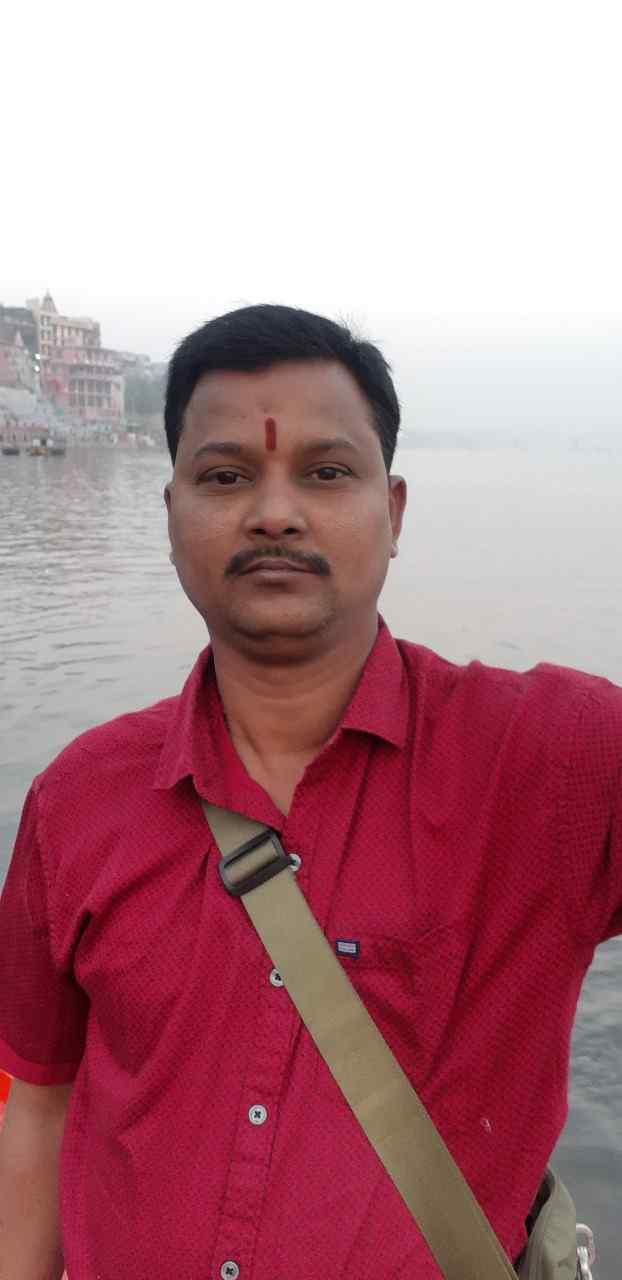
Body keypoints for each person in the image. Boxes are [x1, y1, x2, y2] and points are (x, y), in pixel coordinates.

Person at [0, 303, 620, 1280]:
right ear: (169, 513)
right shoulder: (78, 800)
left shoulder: (552, 762)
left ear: (394, 511)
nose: (275, 512)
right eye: (225, 476)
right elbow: (39, 1098)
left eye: (326, 472)